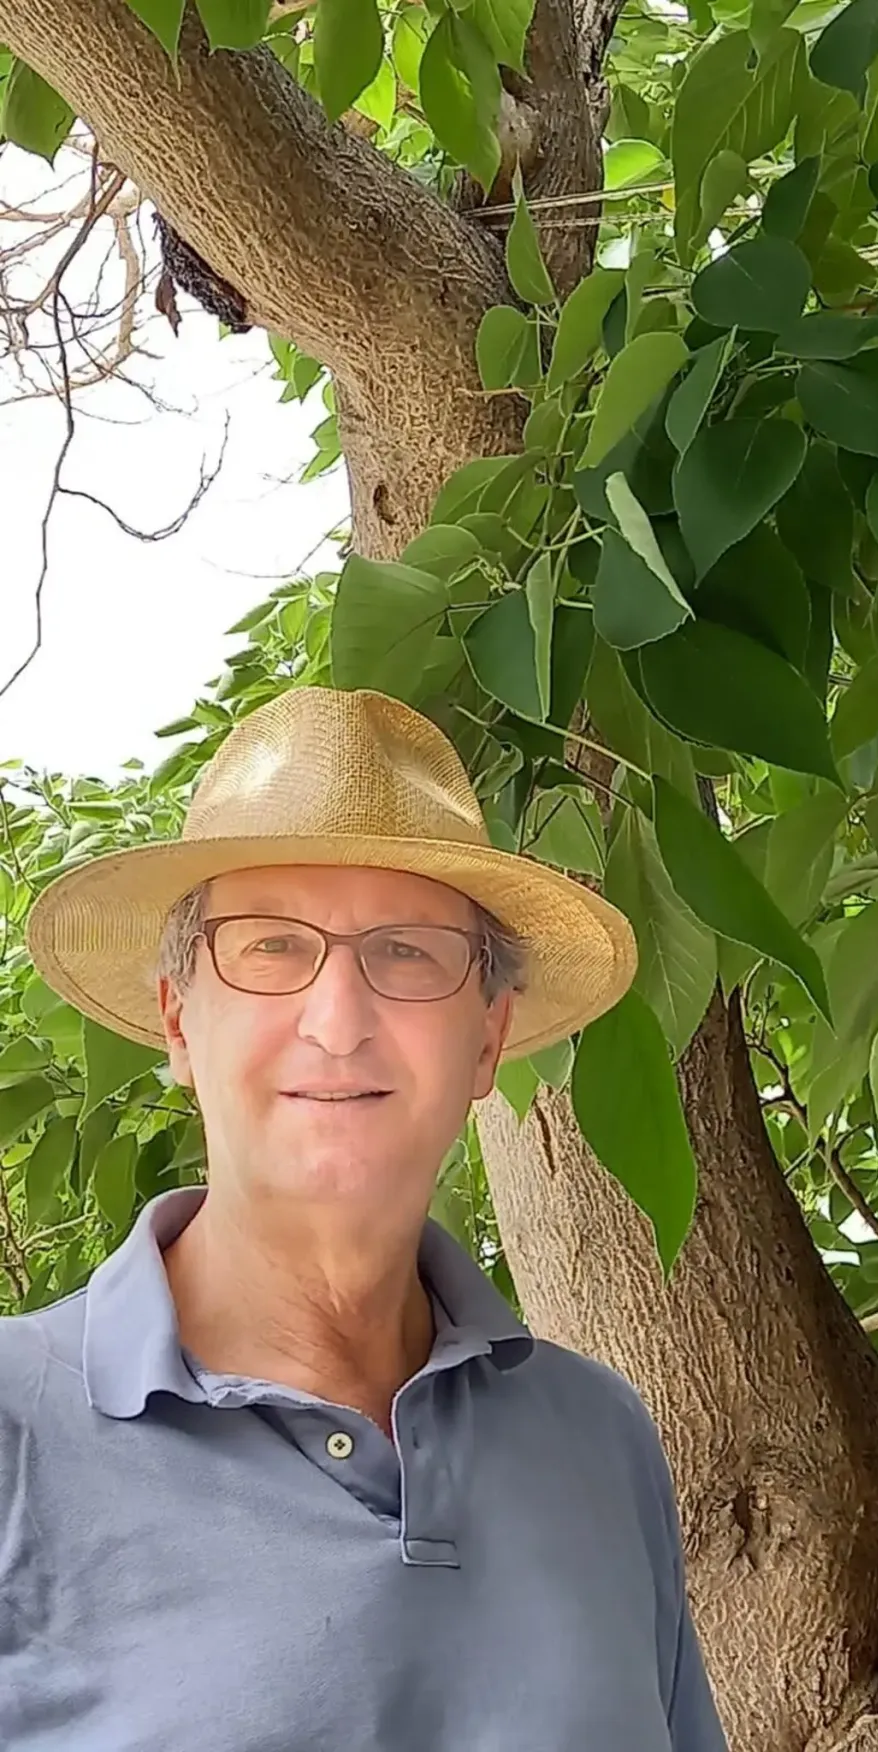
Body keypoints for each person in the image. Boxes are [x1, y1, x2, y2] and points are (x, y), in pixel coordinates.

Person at [0, 685, 728, 1752]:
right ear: (178, 1025)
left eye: (407, 953)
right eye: (270, 948)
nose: (337, 1023)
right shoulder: (19, 1433)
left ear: (487, 1041)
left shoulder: (598, 1441)